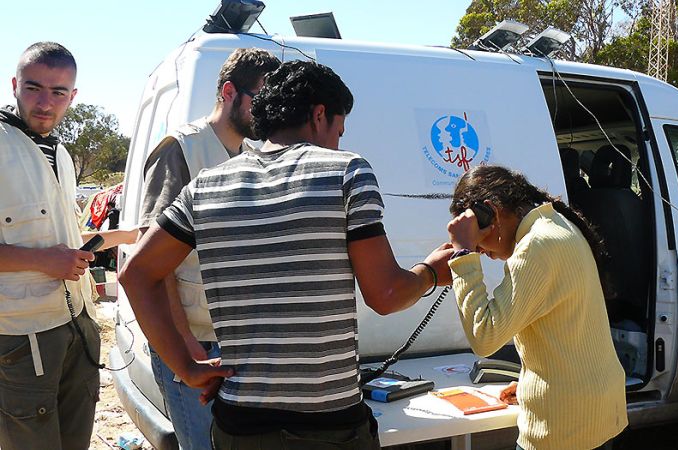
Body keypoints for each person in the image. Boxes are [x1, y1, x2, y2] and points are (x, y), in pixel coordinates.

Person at [119, 60, 453, 450]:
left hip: (239, 426)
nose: (338, 143)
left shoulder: (206, 185)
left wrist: (186, 366)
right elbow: (386, 295)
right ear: (319, 114)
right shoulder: (347, 172)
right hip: (327, 427)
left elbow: (135, 274)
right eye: (339, 131)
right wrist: (431, 272)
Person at [136, 47, 279, 450]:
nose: (269, 111)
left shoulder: (254, 157)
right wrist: (186, 347)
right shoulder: (180, 149)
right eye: (261, 99)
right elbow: (152, 264)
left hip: (239, 343)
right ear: (229, 92)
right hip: (196, 344)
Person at [445, 165, 628, 450]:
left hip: (563, 425)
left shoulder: (536, 246)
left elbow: (484, 337)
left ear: (490, 213)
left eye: (479, 241)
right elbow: (568, 331)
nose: (482, 252)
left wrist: (463, 255)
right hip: (595, 412)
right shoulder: (556, 226)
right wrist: (531, 383)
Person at [0, 42, 100, 450]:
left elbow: (61, 236)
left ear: (72, 96)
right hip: (22, 334)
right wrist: (44, 260)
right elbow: (47, 253)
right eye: (33, 88)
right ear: (14, 85)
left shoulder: (59, 152)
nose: (45, 103)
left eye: (58, 92)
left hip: (78, 323)